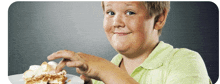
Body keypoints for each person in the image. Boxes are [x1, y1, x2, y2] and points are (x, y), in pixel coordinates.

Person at [47, 1, 211, 84]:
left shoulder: (184, 61)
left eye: (130, 12)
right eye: (110, 12)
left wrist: (107, 71)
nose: (116, 22)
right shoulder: (102, 73)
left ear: (159, 18)